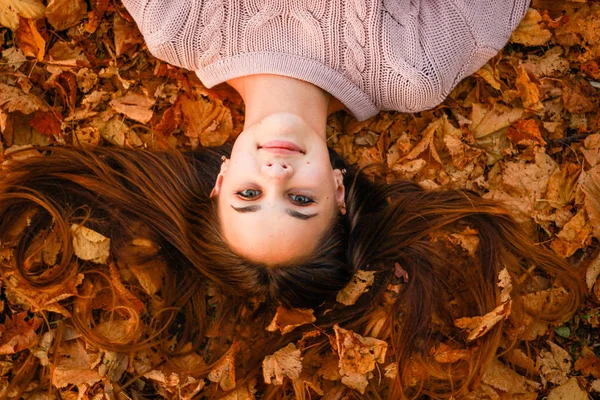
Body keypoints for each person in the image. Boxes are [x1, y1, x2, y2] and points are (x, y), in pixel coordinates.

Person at [0, 1, 583, 399]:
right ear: (338, 192)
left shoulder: (180, 26)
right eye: (300, 199)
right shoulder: (415, 68)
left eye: (251, 195)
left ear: (220, 180)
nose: (276, 171)